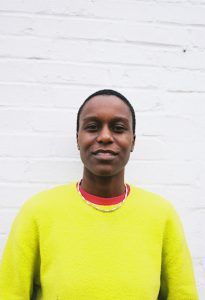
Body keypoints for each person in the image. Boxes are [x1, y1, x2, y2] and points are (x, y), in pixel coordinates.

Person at [0, 89, 199, 299]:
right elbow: (10, 293)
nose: (105, 137)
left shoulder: (161, 215)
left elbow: (183, 294)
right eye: (92, 127)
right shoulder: (38, 212)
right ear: (78, 139)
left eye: (119, 128)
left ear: (133, 141)